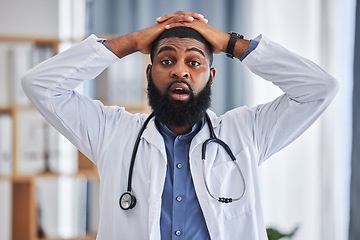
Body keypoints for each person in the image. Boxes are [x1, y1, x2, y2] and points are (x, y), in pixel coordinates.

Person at [22, 11, 338, 240]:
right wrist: (131, 42)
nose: (180, 71)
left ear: (210, 77)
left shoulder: (246, 133)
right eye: (167, 60)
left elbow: (319, 89)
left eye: (194, 61)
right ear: (149, 74)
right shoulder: (113, 133)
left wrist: (229, 43)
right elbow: (40, 85)